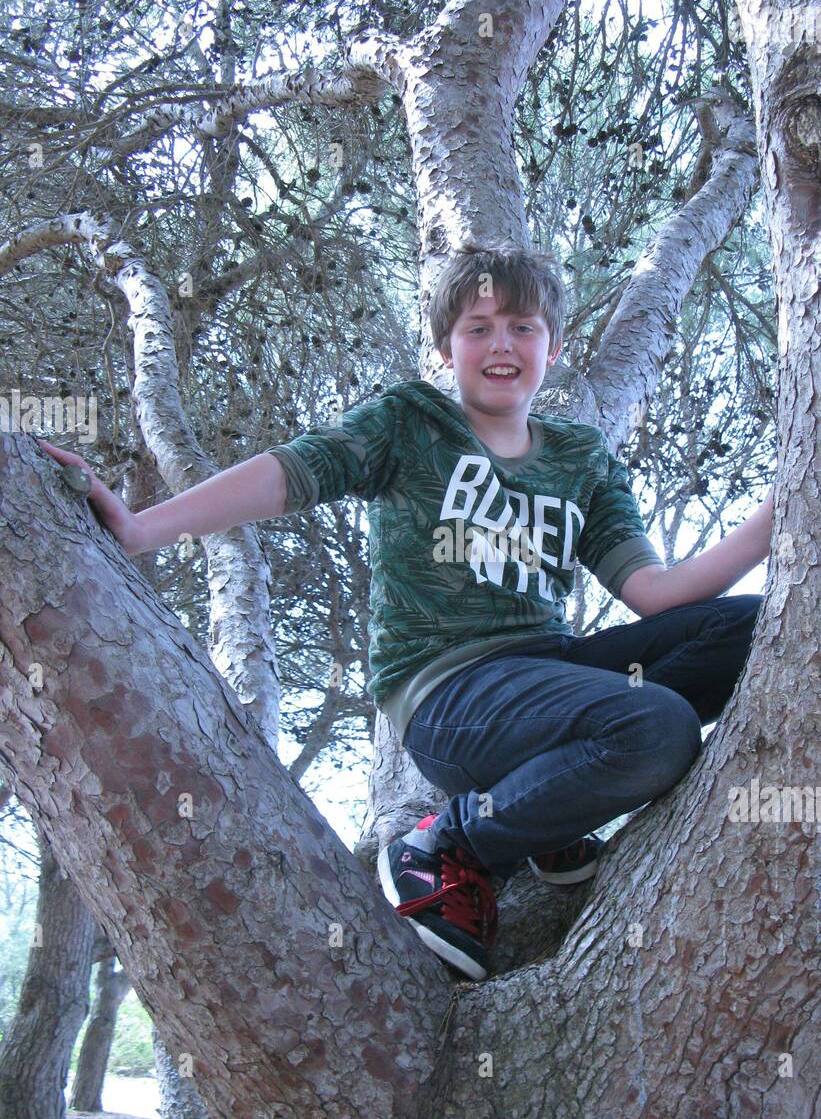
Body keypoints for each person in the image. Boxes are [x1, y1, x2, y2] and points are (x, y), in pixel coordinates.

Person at [38, 240, 771, 984]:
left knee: (748, 628)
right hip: (452, 696)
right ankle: (447, 843)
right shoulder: (409, 422)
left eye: (522, 326)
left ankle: (552, 812)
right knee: (656, 724)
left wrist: (786, 505)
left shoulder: (580, 457)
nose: (501, 345)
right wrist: (139, 528)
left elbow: (656, 592)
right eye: (477, 327)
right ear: (446, 346)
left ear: (552, 343)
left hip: (551, 675)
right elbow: (288, 476)